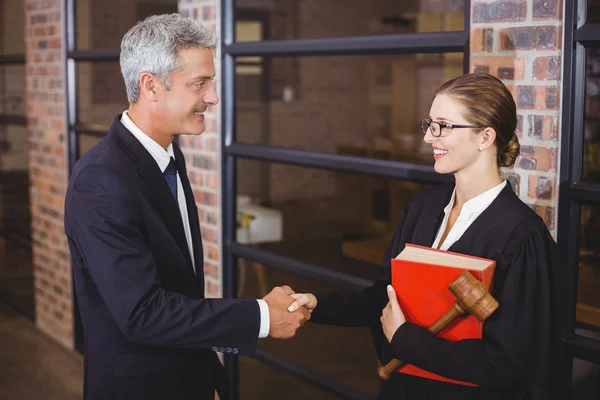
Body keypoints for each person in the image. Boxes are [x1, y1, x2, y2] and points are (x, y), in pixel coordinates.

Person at [64, 14, 309, 400]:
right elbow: (142, 313)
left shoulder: (166, 155)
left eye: (210, 82)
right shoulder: (100, 181)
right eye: (200, 83)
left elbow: (179, 290)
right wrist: (260, 316)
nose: (212, 97)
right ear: (151, 86)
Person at [288, 73, 559, 399]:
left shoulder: (522, 237)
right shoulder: (423, 209)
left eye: (443, 126)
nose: (430, 138)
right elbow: (384, 299)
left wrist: (406, 340)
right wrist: (317, 305)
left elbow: (510, 363)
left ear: (485, 137)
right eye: (430, 124)